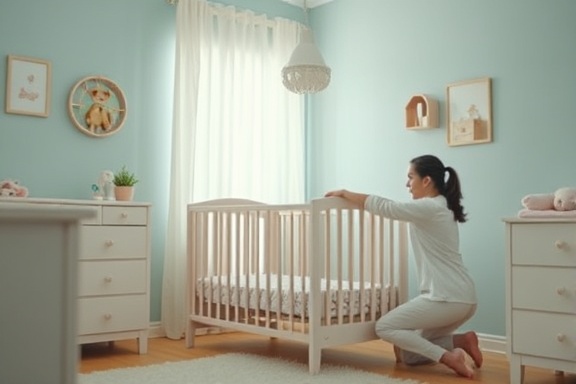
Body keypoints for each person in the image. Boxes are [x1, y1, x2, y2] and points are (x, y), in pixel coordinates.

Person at [325, 154, 482, 379]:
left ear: (426, 181)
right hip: (462, 297)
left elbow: (388, 207)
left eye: (410, 178)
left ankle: (450, 358)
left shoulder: (430, 206)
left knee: (385, 327)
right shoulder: (440, 206)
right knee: (409, 356)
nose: (407, 184)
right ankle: (461, 341)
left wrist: (346, 193)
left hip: (447, 297)